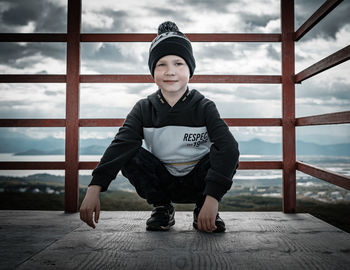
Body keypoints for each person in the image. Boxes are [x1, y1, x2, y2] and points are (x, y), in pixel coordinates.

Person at [80, 21, 240, 233]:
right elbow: (121, 145)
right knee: (129, 153)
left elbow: (229, 149)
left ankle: (204, 208)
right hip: (163, 182)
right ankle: (162, 208)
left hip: (200, 182)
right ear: (152, 71)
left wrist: (213, 198)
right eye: (161, 64)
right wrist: (94, 187)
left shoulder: (204, 107)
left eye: (178, 63)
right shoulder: (144, 108)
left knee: (224, 150)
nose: (170, 71)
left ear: (190, 69)